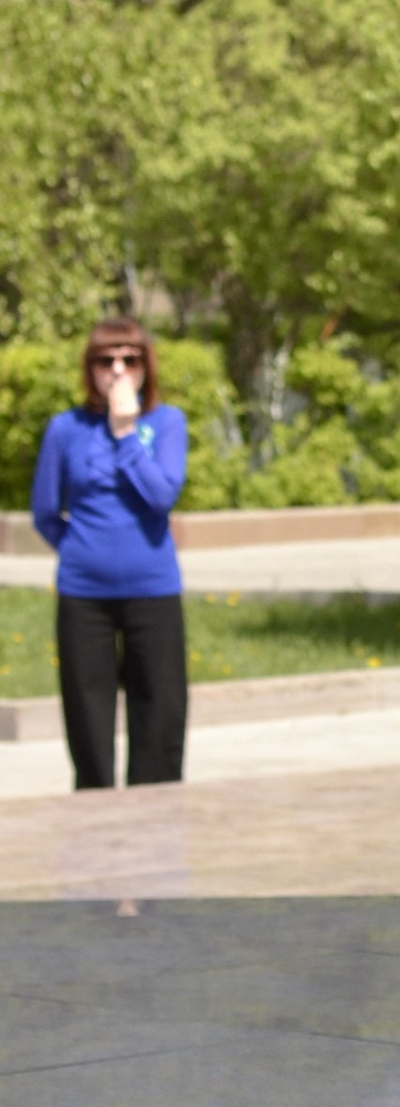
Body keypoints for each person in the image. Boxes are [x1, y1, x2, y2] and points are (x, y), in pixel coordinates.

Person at [31, 319, 192, 790]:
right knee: (87, 713)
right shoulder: (65, 429)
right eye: (106, 360)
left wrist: (125, 432)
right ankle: (96, 814)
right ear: (90, 369)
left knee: (160, 712)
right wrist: (82, 550)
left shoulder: (166, 423)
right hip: (85, 594)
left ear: (146, 366)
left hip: (153, 588)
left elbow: (162, 495)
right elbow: (45, 511)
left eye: (129, 359)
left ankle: (155, 818)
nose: (117, 370)